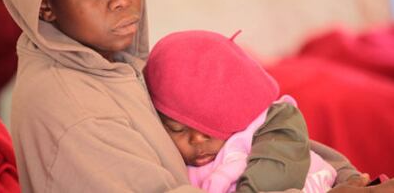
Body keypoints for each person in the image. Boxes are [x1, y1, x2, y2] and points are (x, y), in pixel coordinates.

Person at [0, 0, 394, 192]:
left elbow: (250, 128)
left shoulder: (106, 61)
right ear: (44, 5)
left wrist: (341, 176)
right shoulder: (75, 113)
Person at [143, 30, 346, 192]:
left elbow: (277, 171)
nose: (197, 139)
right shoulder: (174, 167)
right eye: (177, 129)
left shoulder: (263, 128)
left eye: (210, 126)